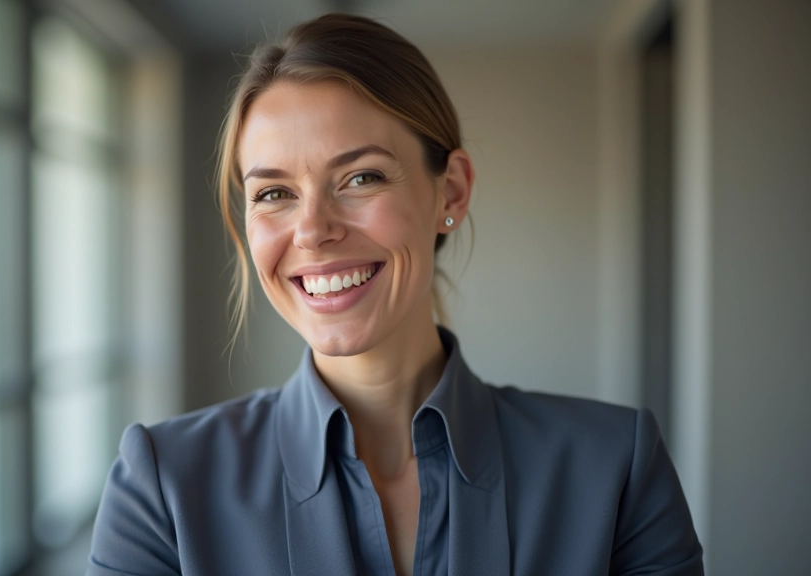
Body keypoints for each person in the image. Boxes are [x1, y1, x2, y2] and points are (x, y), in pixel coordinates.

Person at [87, 13, 703, 576]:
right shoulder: (162, 487)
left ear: (452, 192)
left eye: (361, 177)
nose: (313, 230)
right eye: (274, 193)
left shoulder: (616, 470)